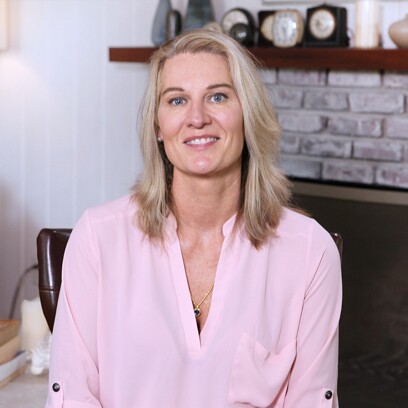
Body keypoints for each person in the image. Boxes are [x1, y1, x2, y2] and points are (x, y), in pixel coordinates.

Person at [45, 29, 342, 408]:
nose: (197, 118)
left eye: (217, 97)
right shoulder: (97, 239)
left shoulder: (310, 252)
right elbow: (73, 396)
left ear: (248, 115)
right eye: (177, 100)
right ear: (158, 126)